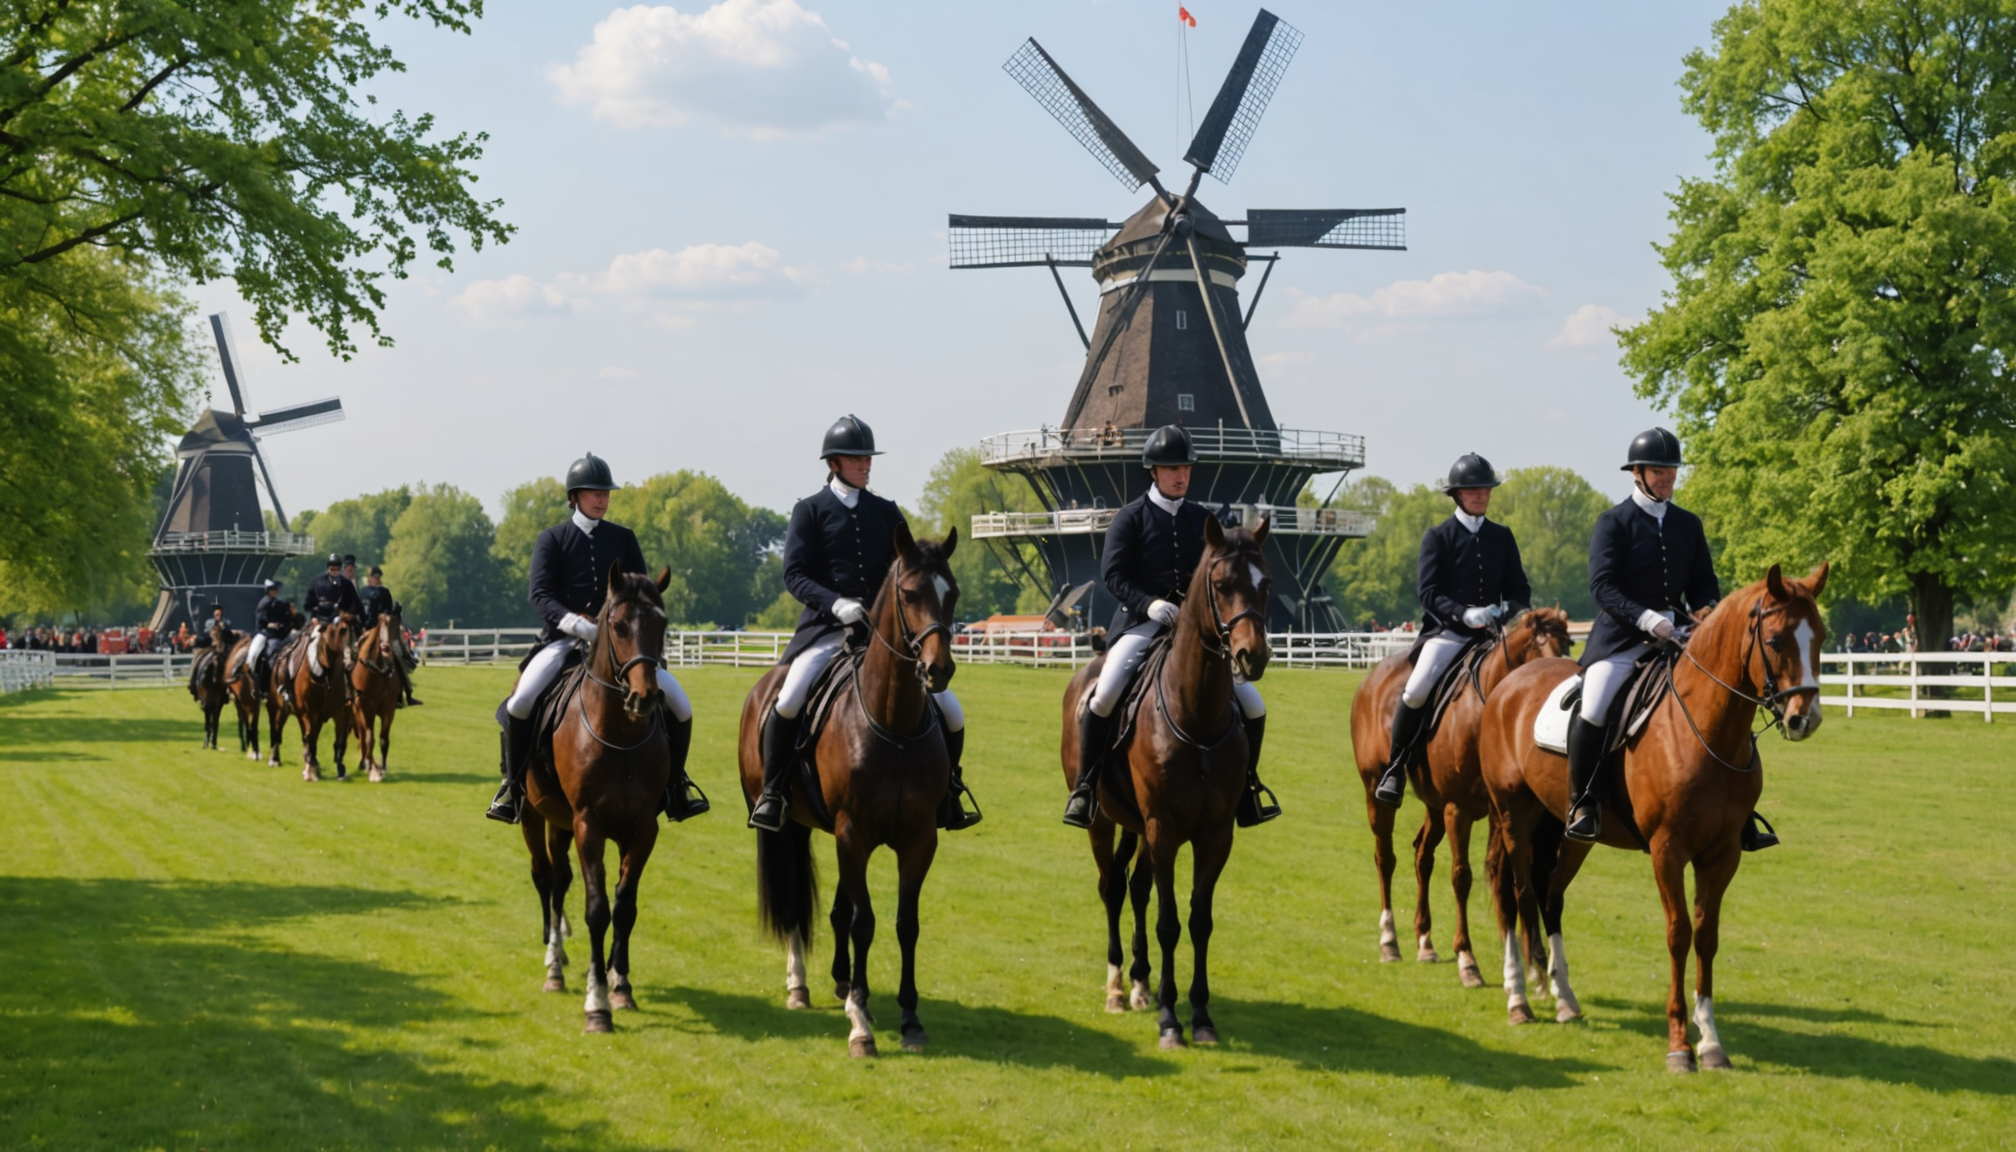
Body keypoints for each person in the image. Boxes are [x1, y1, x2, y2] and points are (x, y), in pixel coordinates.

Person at [748, 415, 980, 833]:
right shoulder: (810, 510)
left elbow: (906, 571)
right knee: (789, 698)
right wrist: (835, 604)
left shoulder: (887, 512)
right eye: (857, 459)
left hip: (882, 636)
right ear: (834, 463)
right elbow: (794, 575)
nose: (866, 465)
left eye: (868, 458)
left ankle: (949, 791)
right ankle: (774, 791)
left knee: (952, 710)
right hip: (825, 630)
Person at [1569, 428, 1777, 851]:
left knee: (1724, 702)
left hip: (1681, 639)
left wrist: (1705, 612)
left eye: (1672, 471)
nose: (1667, 479)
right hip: (1622, 641)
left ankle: (1738, 811)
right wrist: (1646, 619)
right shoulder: (1613, 522)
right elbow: (1603, 587)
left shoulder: (1688, 524)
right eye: (1659, 471)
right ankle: (1584, 802)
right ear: (1638, 473)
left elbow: (1704, 583)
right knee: (1593, 705)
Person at [1062, 424, 1279, 830]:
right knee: (1104, 694)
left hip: (1196, 633)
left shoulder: (1203, 519)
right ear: (1153, 472)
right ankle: (1086, 787)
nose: (1180, 475)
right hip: (1142, 625)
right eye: (1171, 468)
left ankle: (1248, 786)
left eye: (1185, 468)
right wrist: (1151, 605)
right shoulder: (1131, 517)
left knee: (1254, 704)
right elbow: (1114, 575)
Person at [486, 452, 708, 825]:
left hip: (620, 646)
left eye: (605, 492)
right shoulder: (552, 539)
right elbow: (540, 595)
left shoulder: (623, 538)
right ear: (574, 496)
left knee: (681, 705)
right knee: (521, 701)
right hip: (564, 641)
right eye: (594, 492)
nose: (602, 499)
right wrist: (576, 624)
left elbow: (640, 592)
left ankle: (676, 785)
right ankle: (512, 787)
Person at [1372, 453, 1533, 806]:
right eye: (1473, 490)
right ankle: (1396, 767)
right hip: (1447, 635)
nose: (1481, 495)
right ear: (1458, 494)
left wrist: (1504, 610)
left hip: (1491, 639)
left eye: (1486, 490)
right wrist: (1465, 615)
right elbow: (1428, 594)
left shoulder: (1502, 537)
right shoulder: (1438, 537)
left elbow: (1520, 590)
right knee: (1415, 689)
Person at [359, 565, 422, 707]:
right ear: (369, 578)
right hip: (365, 628)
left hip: (380, 628)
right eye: (374, 577)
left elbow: (388, 611)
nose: (376, 579)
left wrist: (385, 616)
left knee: (396, 656)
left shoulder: (384, 592)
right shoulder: (362, 592)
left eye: (377, 577)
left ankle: (406, 692)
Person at [247, 580, 293, 698]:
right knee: (253, 654)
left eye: (276, 590)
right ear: (268, 591)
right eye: (272, 590)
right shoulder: (264, 603)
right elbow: (260, 622)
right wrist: (268, 625)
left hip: (278, 635)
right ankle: (252, 676)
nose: (275, 592)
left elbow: (287, 620)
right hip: (264, 633)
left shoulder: (281, 604)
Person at [303, 552, 364, 625]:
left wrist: (348, 614)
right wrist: (313, 616)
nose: (334, 572)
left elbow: (355, 603)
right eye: (332, 569)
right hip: (320, 618)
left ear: (340, 568)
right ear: (328, 568)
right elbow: (308, 603)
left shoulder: (347, 584)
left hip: (342, 618)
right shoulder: (317, 582)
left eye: (336, 569)